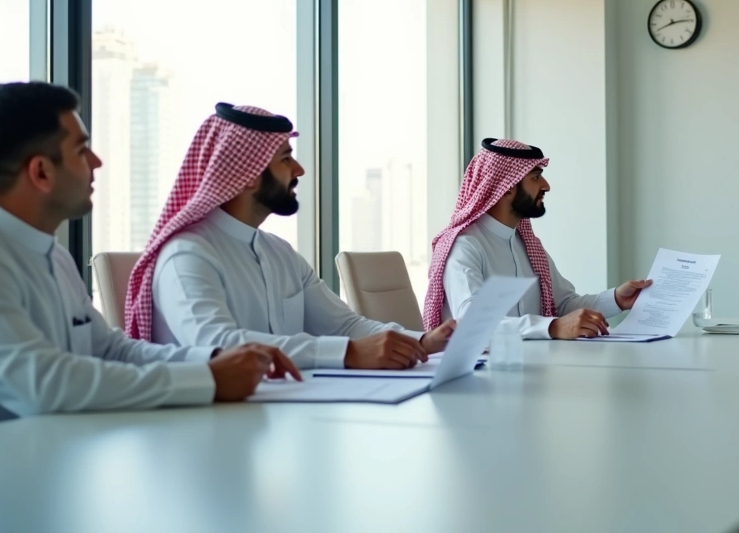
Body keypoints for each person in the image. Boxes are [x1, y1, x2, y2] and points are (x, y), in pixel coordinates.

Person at [0, 83, 299, 442]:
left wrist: (214, 359)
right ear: (41, 172)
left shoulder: (50, 255)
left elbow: (111, 350)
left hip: (32, 467)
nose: (97, 162)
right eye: (82, 150)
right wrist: (209, 380)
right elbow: (44, 385)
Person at [126, 103, 455, 370]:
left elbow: (344, 326)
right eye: (285, 159)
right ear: (247, 175)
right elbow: (218, 344)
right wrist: (348, 353)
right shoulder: (187, 255)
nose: (298, 170)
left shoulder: (280, 252)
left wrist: (422, 342)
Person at [422, 138, 652, 339]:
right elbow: (472, 321)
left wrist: (616, 299)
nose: (546, 186)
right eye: (535, 177)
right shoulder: (464, 246)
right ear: (507, 187)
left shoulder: (527, 244)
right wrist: (552, 327)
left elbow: (562, 304)